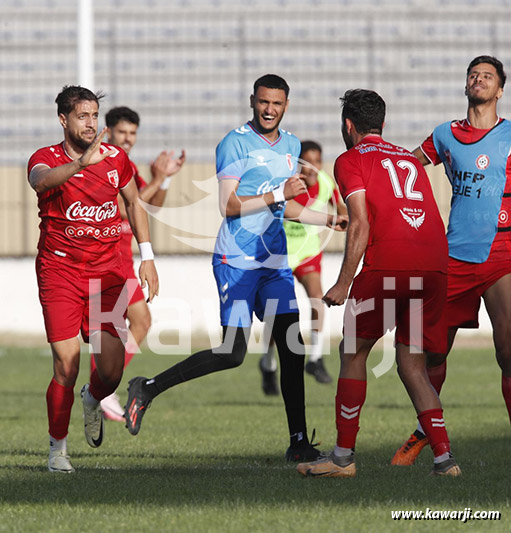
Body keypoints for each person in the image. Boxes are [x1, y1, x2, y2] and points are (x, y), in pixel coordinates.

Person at [123, 74, 347, 461]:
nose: (269, 110)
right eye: (263, 102)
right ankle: (147, 387)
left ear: (286, 105)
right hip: (237, 261)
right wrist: (278, 193)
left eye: (276, 103)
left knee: (292, 346)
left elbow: (285, 206)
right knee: (232, 352)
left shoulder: (292, 145)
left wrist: (324, 220)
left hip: (274, 263)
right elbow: (229, 205)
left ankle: (297, 443)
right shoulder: (234, 143)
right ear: (252, 101)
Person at [297, 89, 461, 478]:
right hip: (436, 266)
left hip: (389, 264)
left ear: (348, 126)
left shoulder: (349, 159)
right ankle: (444, 460)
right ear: (382, 125)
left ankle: (342, 458)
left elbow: (359, 222)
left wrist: (342, 282)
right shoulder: (409, 158)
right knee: (412, 364)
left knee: (353, 353)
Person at [28, 86, 158, 473]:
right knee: (66, 365)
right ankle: (57, 450)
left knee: (111, 371)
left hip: (105, 276)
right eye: (82, 116)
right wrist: (81, 164)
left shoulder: (116, 159)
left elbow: (134, 202)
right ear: (63, 120)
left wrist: (147, 256)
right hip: (61, 272)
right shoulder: (45, 158)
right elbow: (41, 181)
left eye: (94, 116)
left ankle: (93, 398)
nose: (90, 123)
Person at [391, 55, 511, 466]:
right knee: (435, 353)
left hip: (502, 254)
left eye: (488, 76)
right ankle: (427, 429)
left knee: (508, 349)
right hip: (453, 254)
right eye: (473, 75)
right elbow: (405, 170)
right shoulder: (445, 134)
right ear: (465, 86)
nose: (478, 80)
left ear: (500, 90)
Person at [91, 106, 185, 421]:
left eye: (133, 134)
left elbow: (149, 207)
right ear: (109, 130)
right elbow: (125, 206)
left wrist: (166, 180)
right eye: (122, 133)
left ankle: (103, 386)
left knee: (134, 323)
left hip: (121, 259)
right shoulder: (102, 162)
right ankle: (101, 388)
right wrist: (157, 179)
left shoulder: (126, 165)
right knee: (114, 326)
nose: (128, 139)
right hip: (102, 261)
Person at [259, 140, 345, 394]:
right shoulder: (286, 186)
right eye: (307, 162)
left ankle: (316, 359)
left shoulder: (326, 183)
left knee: (318, 300)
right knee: (278, 315)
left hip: (308, 253)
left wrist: (343, 214)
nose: (312, 168)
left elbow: (338, 204)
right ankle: (268, 363)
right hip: (281, 254)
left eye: (317, 162)